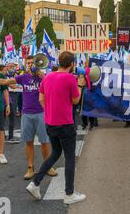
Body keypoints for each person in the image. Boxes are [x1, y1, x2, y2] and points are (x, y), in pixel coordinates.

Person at [26, 51, 86, 205]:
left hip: (50, 123)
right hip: (65, 124)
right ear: (72, 64)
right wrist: (79, 85)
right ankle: (69, 194)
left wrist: (51, 111)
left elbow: (41, 98)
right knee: (70, 158)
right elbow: (75, 100)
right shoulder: (71, 79)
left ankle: (35, 183)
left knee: (56, 153)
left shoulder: (47, 77)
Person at [0, 56, 58, 179]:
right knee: (28, 142)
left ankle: (48, 166)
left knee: (44, 142)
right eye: (27, 63)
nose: (30, 65)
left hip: (41, 113)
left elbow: (52, 85)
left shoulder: (43, 77)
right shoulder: (23, 77)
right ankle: (30, 168)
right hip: (26, 114)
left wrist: (40, 73)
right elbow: (6, 82)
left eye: (32, 63)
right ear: (25, 64)